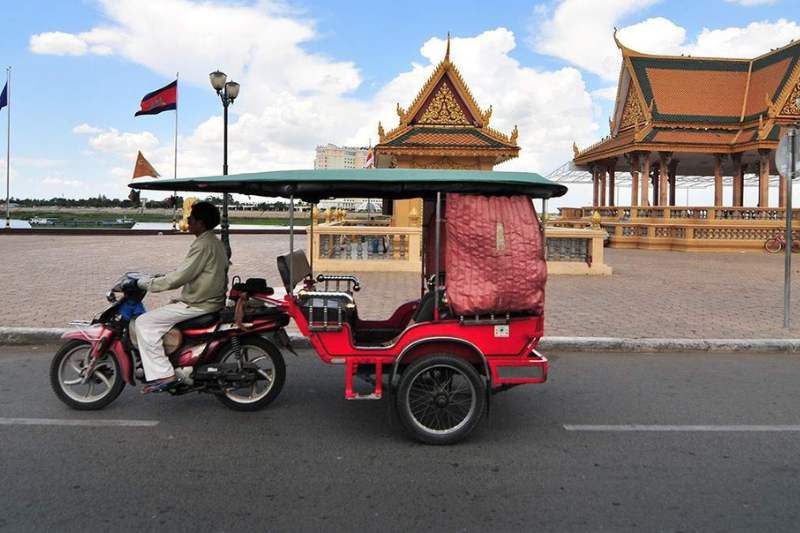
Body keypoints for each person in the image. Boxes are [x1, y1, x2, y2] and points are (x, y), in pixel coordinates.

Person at [130, 201, 228, 393]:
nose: (188, 221)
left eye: (191, 218)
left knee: (145, 323)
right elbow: (187, 271)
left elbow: (180, 277)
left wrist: (144, 283)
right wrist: (160, 278)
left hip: (199, 304)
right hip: (207, 300)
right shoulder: (213, 241)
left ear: (200, 222)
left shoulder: (203, 244)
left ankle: (164, 374)